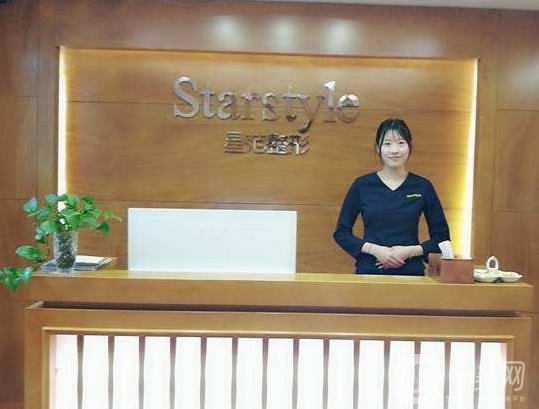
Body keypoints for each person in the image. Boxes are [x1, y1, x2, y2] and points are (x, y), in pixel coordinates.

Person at [333, 118, 450, 276]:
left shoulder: (422, 186)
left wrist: (410, 251)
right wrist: (374, 250)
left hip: (411, 274)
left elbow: (442, 238)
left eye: (401, 143)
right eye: (387, 144)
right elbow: (341, 233)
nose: (394, 150)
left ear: (409, 146)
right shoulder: (362, 185)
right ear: (378, 148)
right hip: (369, 272)